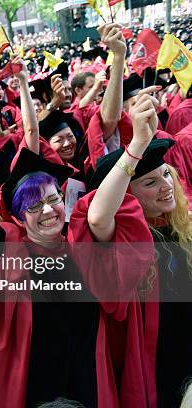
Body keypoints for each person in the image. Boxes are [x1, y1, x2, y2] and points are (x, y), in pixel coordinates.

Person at [0, 90, 154, 407]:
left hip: (89, 380)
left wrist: (138, 145)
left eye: (52, 200)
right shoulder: (8, 250)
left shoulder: (81, 240)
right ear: (18, 215)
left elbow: (102, 208)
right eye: (33, 206)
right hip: (33, 384)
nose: (47, 211)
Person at [87, 92, 192, 407]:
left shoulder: (183, 227)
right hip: (156, 362)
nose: (165, 186)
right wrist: (136, 147)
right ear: (126, 197)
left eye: (165, 175)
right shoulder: (124, 242)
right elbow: (96, 216)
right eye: (150, 183)